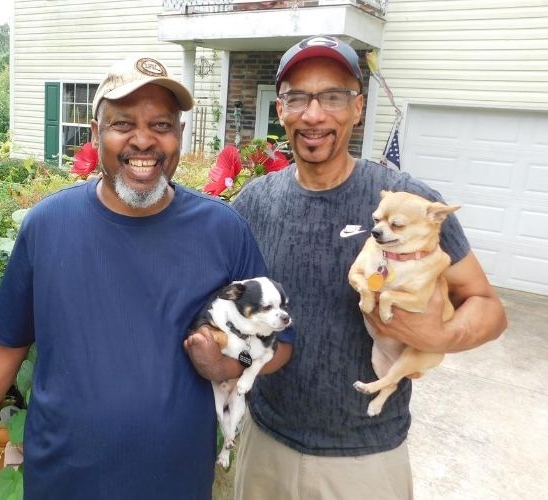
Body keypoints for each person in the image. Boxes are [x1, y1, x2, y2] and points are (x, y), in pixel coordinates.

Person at [0, 56, 272, 500]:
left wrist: (231, 363)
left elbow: (278, 344)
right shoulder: (48, 225)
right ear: (95, 134)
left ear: (180, 137)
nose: (143, 140)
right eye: (123, 123)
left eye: (162, 125)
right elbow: (4, 343)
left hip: (176, 484)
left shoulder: (222, 230)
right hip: (63, 481)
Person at [185, 35, 507, 499]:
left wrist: (440, 337)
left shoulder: (404, 201)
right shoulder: (254, 203)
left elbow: (486, 305)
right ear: (280, 110)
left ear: (358, 108)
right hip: (266, 443)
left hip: (365, 459)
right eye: (298, 97)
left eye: (333, 97)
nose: (314, 115)